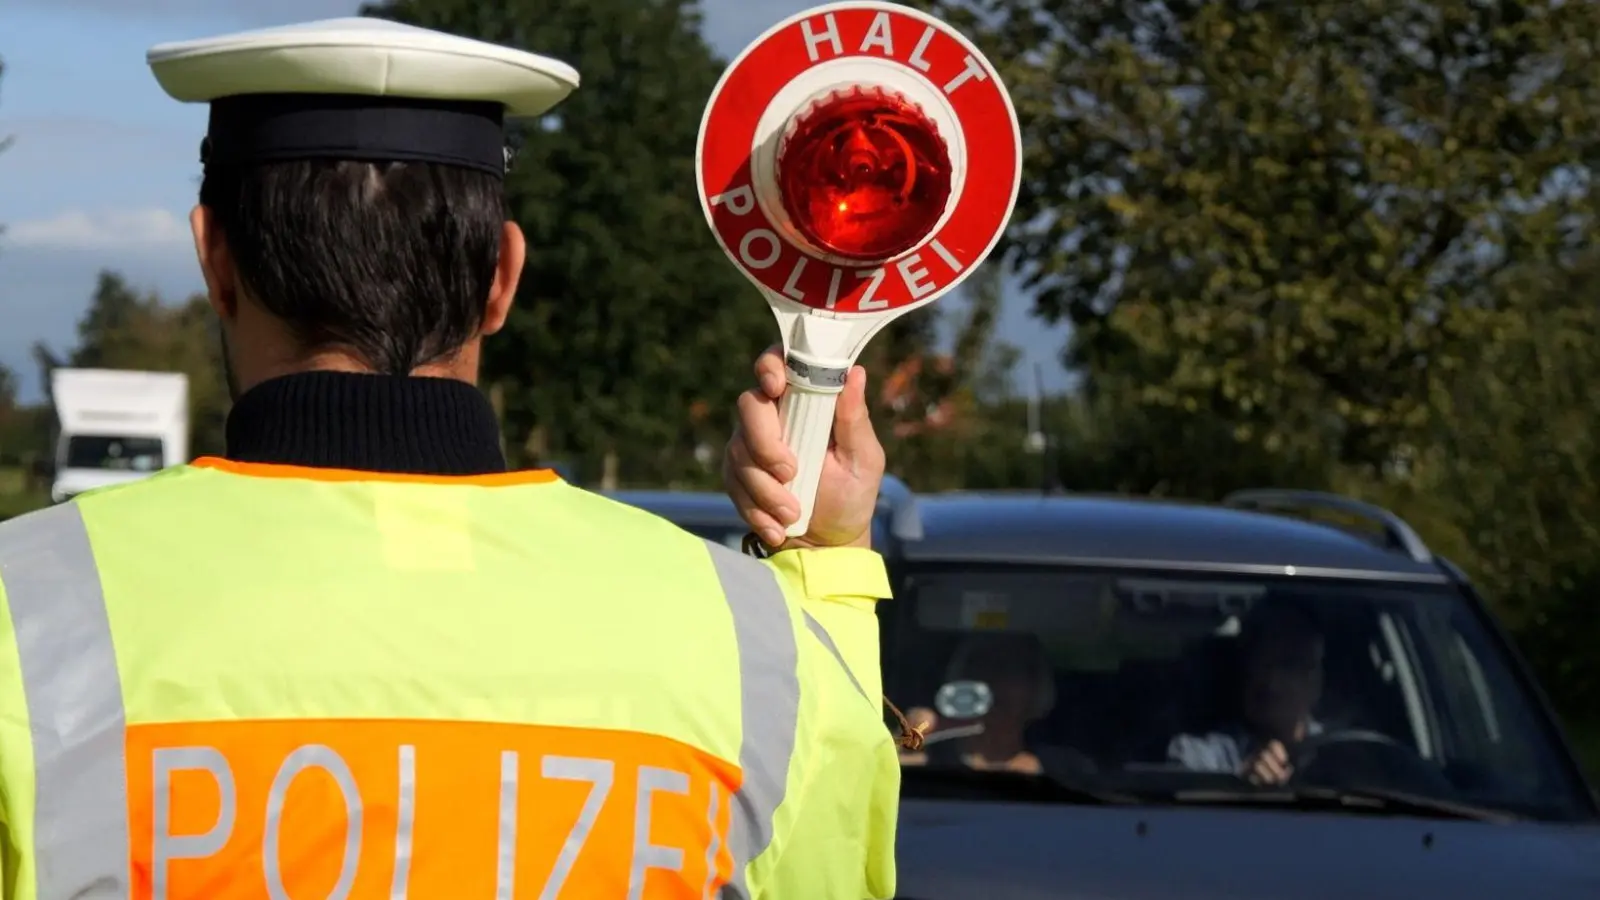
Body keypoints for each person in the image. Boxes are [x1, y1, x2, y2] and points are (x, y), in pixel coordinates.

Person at [0, 18, 897, 900]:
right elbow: (830, 848)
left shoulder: (25, 613)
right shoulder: (754, 644)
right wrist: (825, 569)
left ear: (214, 261)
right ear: (503, 277)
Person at [1167, 603, 1326, 785]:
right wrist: (1238, 789)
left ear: (1316, 680)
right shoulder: (1200, 756)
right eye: (1261, 662)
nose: (1270, 681)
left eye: (1288, 665)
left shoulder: (1345, 754)